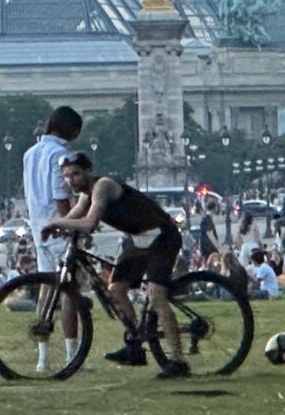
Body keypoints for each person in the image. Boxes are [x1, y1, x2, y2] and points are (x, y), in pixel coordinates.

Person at [45, 153, 188, 379]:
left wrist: (55, 222)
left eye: (75, 174)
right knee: (115, 290)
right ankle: (135, 345)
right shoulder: (85, 196)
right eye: (66, 176)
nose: (70, 180)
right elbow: (74, 218)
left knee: (157, 295)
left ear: (88, 171)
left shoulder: (102, 186)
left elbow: (89, 222)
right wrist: (60, 228)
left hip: (162, 236)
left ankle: (178, 360)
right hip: (138, 239)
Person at [22, 105, 83, 372]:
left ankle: (42, 358)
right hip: (56, 227)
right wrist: (71, 224)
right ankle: (72, 355)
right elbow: (60, 196)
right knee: (69, 291)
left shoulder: (30, 153)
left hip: (38, 226)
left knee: (47, 289)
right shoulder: (60, 154)